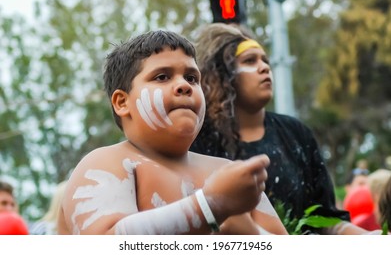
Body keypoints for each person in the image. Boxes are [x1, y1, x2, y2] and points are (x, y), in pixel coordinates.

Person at [57, 30, 287, 235]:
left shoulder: (227, 172)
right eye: (162, 77)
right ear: (121, 102)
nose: (184, 85)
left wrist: (251, 236)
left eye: (191, 78)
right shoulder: (107, 163)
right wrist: (209, 206)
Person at [190, 22, 380, 235]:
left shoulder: (297, 134)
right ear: (221, 76)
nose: (264, 67)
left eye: (265, 60)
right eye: (250, 61)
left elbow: (327, 221)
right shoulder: (197, 141)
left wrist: (371, 239)